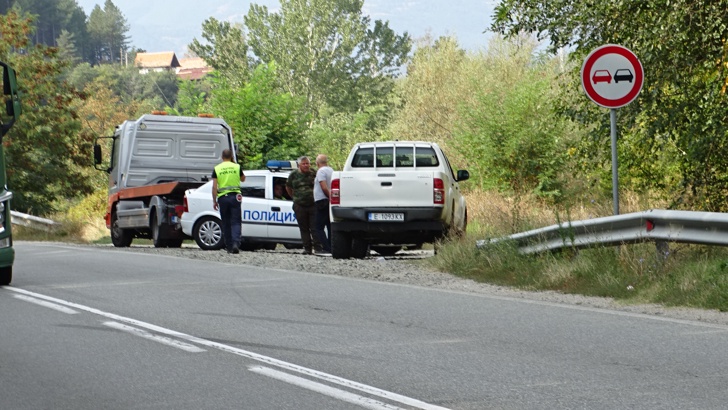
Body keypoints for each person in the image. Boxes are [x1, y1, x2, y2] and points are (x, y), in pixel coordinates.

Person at [212, 148, 245, 254]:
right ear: (231, 156)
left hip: (222, 198)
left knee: (226, 222)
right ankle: (236, 243)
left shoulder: (217, 168)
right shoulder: (237, 167)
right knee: (236, 222)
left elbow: (214, 187)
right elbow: (243, 179)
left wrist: (214, 201)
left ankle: (229, 246)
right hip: (235, 197)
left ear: (222, 157)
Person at [286, 156, 321, 255]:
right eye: (304, 164)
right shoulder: (294, 175)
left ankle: (318, 248)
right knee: (304, 228)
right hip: (300, 205)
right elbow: (288, 187)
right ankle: (307, 248)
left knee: (314, 227)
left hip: (313, 204)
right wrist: (295, 197)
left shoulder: (314, 173)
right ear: (299, 165)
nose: (306, 165)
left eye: (307, 163)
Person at [313, 154, 333, 254]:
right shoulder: (331, 170)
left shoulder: (321, 172)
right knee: (329, 225)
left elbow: (324, 187)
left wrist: (329, 197)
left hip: (322, 201)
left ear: (317, 163)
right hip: (329, 201)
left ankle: (326, 247)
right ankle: (331, 246)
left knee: (318, 227)